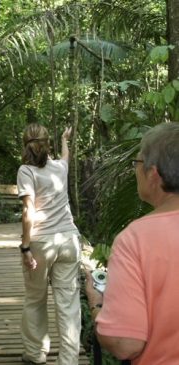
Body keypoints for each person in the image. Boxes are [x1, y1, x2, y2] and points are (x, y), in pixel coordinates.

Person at [85, 122, 179, 364]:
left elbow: (125, 344)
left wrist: (97, 305)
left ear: (153, 174)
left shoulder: (135, 239)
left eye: (137, 163)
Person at [17, 123, 82, 365]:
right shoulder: (59, 168)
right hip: (68, 240)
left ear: (25, 144)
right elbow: (65, 157)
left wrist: (25, 247)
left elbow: (28, 210)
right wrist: (65, 139)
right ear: (48, 144)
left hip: (41, 242)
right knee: (68, 302)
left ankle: (35, 353)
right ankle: (69, 360)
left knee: (35, 298)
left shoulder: (26, 171)